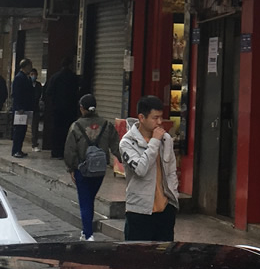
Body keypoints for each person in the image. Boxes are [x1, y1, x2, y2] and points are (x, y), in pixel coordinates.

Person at [119, 95, 179, 241]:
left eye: (161, 117)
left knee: (164, 253)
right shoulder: (127, 143)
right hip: (140, 211)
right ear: (141, 117)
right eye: (155, 118)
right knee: (138, 253)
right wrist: (154, 141)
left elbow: (171, 171)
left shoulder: (166, 139)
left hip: (165, 209)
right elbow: (141, 170)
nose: (159, 122)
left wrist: (173, 197)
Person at [64, 94, 119, 241]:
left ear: (82, 108)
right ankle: (86, 231)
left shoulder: (76, 126)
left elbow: (70, 150)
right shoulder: (106, 125)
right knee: (90, 199)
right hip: (100, 170)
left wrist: (71, 168)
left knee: (85, 201)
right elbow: (116, 146)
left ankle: (88, 234)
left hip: (82, 170)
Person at [44, 56, 81, 159]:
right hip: (70, 110)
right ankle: (65, 152)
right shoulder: (74, 78)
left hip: (57, 110)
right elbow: (78, 93)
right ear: (70, 65)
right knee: (67, 131)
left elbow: (48, 92)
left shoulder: (55, 77)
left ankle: (55, 151)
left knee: (56, 130)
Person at [11, 59, 35, 158]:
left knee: (23, 129)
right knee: (18, 130)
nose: (31, 68)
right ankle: (15, 150)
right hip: (20, 109)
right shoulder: (19, 78)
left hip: (26, 108)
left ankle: (19, 149)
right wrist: (19, 107)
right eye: (30, 66)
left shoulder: (26, 77)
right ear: (25, 66)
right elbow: (16, 94)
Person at [29, 68, 44, 152]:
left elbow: (39, 95)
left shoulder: (38, 85)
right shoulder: (27, 83)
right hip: (28, 108)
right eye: (32, 74)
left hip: (35, 108)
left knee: (35, 127)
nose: (33, 76)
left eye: (34, 74)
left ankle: (34, 144)